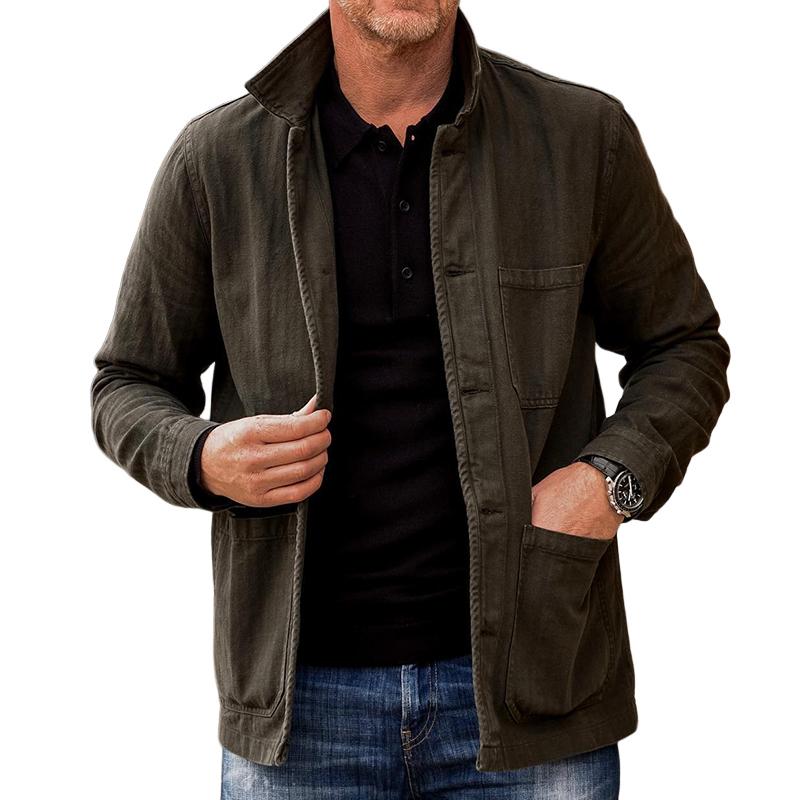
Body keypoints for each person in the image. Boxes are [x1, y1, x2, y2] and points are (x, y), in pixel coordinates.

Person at [90, 2, 731, 797]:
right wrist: (200, 457)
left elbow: (684, 346)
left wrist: (609, 481)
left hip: (535, 693)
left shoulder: (579, 136)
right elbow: (127, 381)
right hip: (298, 709)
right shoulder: (219, 158)